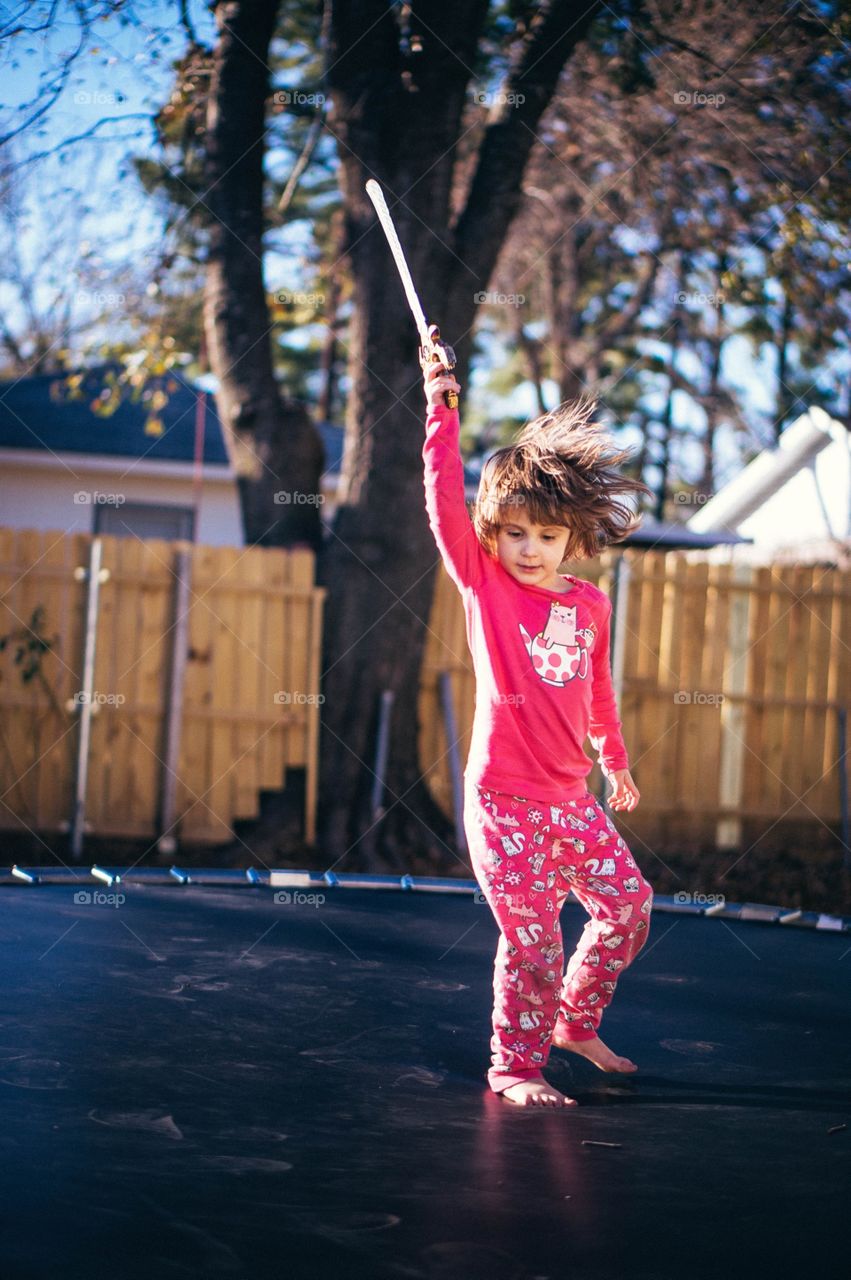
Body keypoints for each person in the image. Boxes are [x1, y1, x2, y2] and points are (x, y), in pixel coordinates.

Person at [422, 361, 655, 1108]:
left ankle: (573, 1024)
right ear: (492, 533)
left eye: (546, 535)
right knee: (532, 941)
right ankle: (514, 1066)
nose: (528, 548)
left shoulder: (587, 605)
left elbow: (595, 688)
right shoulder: (483, 584)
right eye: (514, 532)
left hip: (570, 798)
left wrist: (612, 761)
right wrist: (442, 408)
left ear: (572, 538)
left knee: (628, 907)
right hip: (503, 800)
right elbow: (440, 503)